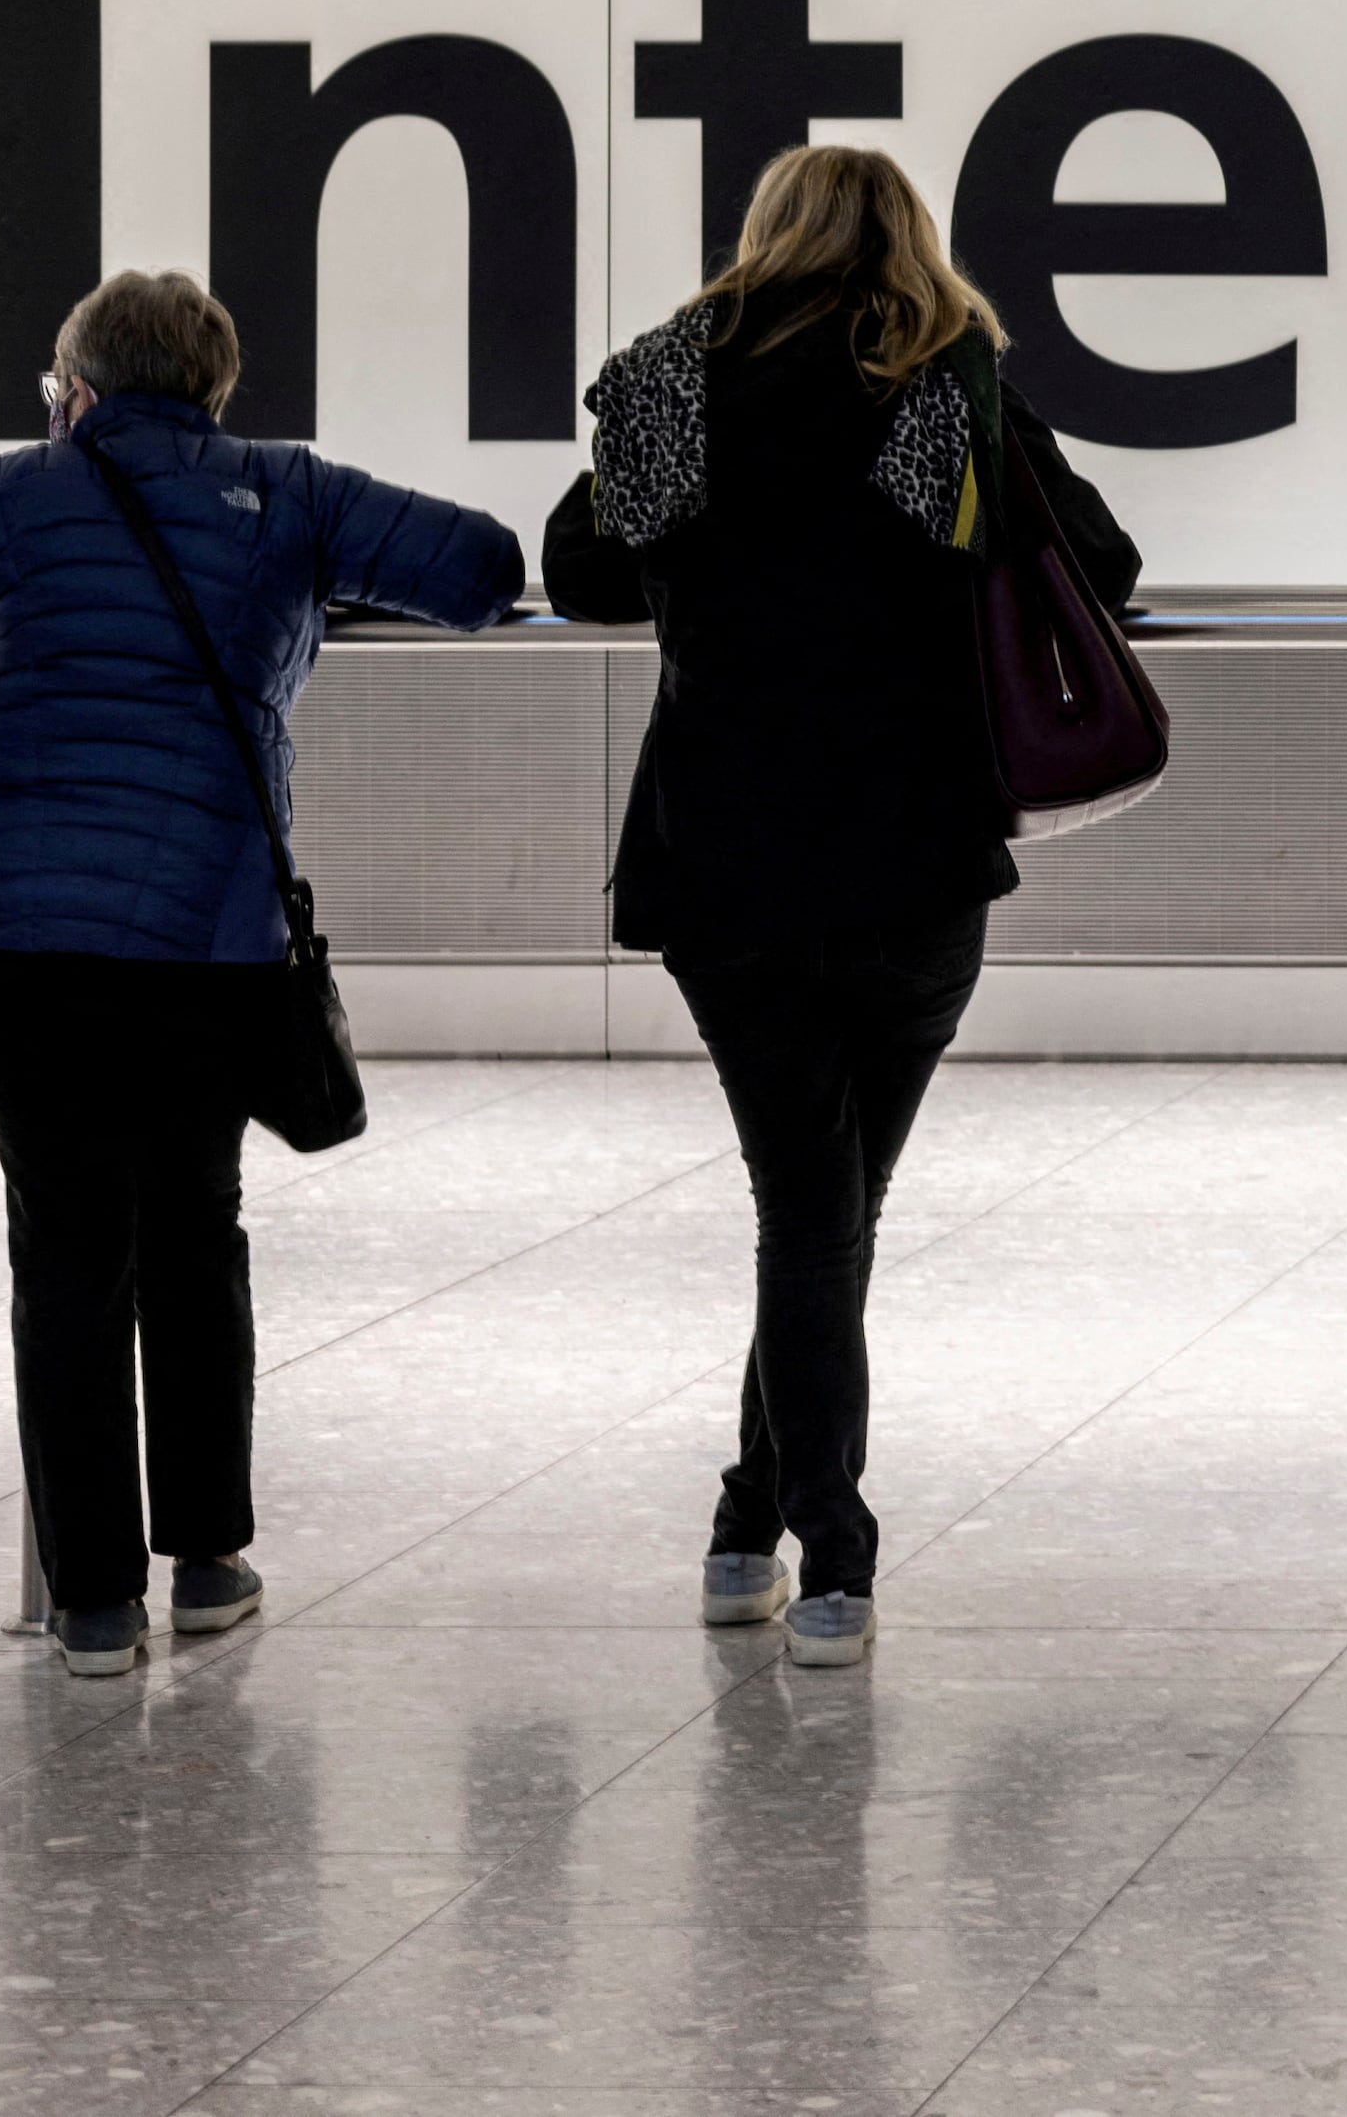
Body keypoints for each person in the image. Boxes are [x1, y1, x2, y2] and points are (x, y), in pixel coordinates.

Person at [0, 270, 522, 1676]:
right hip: (204, 936)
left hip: (14, 931)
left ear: (77, 387)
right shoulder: (288, 489)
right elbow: (484, 571)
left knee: (63, 1250)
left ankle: (91, 1607)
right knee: (194, 1229)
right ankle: (207, 1564)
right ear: (216, 389)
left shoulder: (15, 496)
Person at [545, 145, 1136, 1671]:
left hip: (724, 854)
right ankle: (833, 1551)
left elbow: (585, 571)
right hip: (913, 856)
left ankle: (751, 1521)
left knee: (815, 1210)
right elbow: (1106, 560)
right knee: (825, 1211)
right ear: (909, 243)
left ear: (765, 235)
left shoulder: (675, 372)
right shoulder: (948, 379)